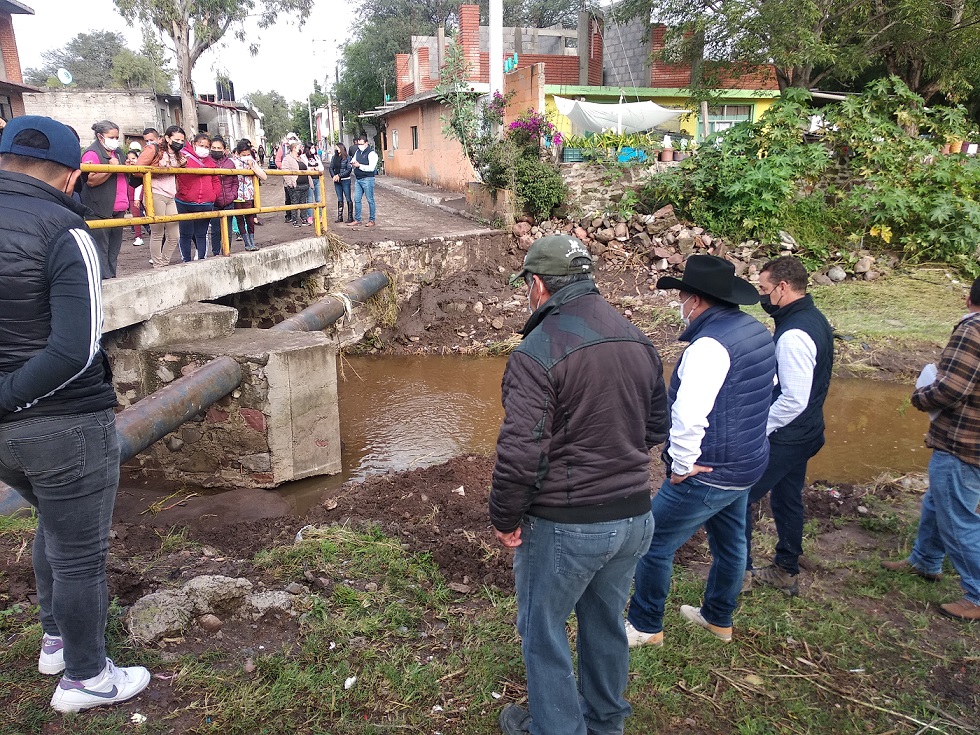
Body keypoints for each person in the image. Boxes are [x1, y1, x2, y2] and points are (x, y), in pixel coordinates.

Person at [0, 115, 151, 713]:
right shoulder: (68, 232)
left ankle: (56, 642)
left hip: (5, 438)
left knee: (51, 525)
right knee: (80, 550)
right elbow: (74, 348)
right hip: (63, 424)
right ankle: (86, 676)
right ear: (73, 175)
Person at [490, 235, 670, 735]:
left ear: (539, 285)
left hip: (567, 525)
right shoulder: (637, 338)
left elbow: (521, 453)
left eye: (527, 285)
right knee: (605, 622)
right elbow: (657, 427)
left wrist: (505, 518)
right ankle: (605, 722)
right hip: (634, 517)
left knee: (543, 634)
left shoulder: (536, 351)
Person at [626, 255, 776, 646]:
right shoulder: (756, 331)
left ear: (697, 301)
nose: (680, 306)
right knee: (730, 544)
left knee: (652, 543)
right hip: (748, 462)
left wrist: (681, 464)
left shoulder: (708, 347)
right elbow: (762, 394)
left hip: (709, 471)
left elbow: (688, 415)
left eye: (682, 297)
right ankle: (718, 618)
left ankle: (645, 625)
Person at [881, 277, 980, 621]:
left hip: (963, 441)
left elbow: (950, 389)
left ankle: (978, 593)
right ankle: (925, 561)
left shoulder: (972, 331)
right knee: (938, 502)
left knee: (959, 519)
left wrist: (919, 397)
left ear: (969, 299)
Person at [743, 256, 834, 596]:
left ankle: (740, 574)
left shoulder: (794, 334)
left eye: (765, 289)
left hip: (789, 434)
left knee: (742, 498)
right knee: (786, 497)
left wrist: (759, 427)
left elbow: (794, 399)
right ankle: (786, 570)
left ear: (782, 288)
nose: (762, 297)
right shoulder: (813, 318)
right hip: (808, 431)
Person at [80, 120, 128, 278]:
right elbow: (91, 181)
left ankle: (112, 277)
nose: (115, 140)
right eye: (111, 137)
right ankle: (103, 281)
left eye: (116, 137)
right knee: (101, 249)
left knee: (114, 250)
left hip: (119, 207)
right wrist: (110, 168)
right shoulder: (92, 153)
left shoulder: (119, 152)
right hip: (100, 208)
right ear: (100, 137)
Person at [137, 125, 186, 268]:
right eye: (176, 139)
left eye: (182, 140)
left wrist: (181, 166)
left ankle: (164, 262)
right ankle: (158, 264)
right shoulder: (154, 149)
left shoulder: (178, 154)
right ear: (167, 138)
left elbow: (177, 169)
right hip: (155, 193)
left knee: (174, 234)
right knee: (157, 232)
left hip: (170, 195)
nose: (179, 143)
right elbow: (137, 169)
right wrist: (160, 170)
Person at [175, 131, 218, 261]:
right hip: (184, 202)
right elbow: (176, 175)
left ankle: (201, 259)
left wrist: (213, 195)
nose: (204, 149)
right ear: (194, 144)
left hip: (205, 203)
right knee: (185, 234)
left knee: (202, 234)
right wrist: (183, 191)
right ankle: (186, 260)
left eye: (206, 147)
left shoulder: (211, 162)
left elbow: (215, 180)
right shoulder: (183, 157)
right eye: (201, 145)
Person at [231, 139, 266, 252]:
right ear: (238, 153)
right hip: (237, 196)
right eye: (243, 155)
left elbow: (264, 176)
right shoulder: (233, 162)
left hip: (249, 195)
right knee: (240, 219)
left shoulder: (252, 162)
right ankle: (247, 243)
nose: (246, 156)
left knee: (250, 219)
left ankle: (252, 242)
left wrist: (253, 167)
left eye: (248, 154)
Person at [208, 135, 237, 256]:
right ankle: (215, 254)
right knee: (215, 231)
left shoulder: (230, 163)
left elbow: (235, 181)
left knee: (228, 230)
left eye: (219, 148)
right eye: (213, 147)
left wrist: (233, 195)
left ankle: (227, 251)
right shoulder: (207, 163)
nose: (216, 150)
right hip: (214, 202)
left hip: (228, 202)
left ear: (224, 149)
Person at [348, 132, 378, 228]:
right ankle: (357, 219)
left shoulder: (372, 154)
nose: (359, 146)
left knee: (370, 200)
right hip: (358, 179)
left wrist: (359, 165)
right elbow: (353, 160)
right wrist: (352, 163)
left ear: (366, 143)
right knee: (357, 199)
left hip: (368, 179)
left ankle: (372, 220)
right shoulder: (357, 152)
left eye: (361, 144)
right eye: (358, 144)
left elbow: (371, 168)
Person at [281, 142, 309, 227]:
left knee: (303, 202)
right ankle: (294, 220)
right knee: (294, 202)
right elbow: (285, 171)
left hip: (305, 184)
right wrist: (290, 183)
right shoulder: (287, 158)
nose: (300, 149)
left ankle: (304, 219)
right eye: (298, 147)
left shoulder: (301, 158)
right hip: (295, 185)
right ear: (293, 148)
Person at [124, 145, 146, 247]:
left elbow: (140, 182)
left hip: (141, 190)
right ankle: (138, 236)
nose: (131, 161)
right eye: (129, 159)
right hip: (131, 190)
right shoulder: (127, 169)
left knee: (146, 212)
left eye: (133, 158)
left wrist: (138, 197)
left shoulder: (141, 169)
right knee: (135, 214)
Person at [329, 142, 353, 223]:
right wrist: (334, 176)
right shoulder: (334, 157)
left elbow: (348, 169)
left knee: (348, 198)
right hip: (337, 181)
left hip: (345, 180)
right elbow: (331, 168)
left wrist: (339, 175)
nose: (336, 149)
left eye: (337, 148)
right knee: (339, 198)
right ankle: (340, 217)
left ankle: (350, 217)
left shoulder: (347, 158)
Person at [305, 143, 323, 225]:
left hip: (317, 179)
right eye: (311, 148)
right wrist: (311, 169)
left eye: (313, 148)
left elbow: (321, 167)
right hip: (309, 180)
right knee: (309, 199)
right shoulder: (303, 157)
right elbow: (305, 168)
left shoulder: (316, 157)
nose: (313, 149)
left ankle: (320, 216)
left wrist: (317, 168)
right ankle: (309, 217)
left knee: (318, 199)